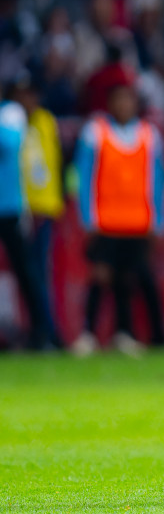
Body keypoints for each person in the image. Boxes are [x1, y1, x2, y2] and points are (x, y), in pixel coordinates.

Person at [71, 80, 164, 356]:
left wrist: (159, 220)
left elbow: (157, 180)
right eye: (119, 100)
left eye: (129, 100)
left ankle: (123, 333)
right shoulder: (95, 132)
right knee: (101, 276)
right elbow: (84, 177)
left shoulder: (150, 135)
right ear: (110, 103)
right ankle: (88, 333)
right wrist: (86, 217)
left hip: (137, 220)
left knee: (128, 278)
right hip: (106, 219)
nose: (124, 105)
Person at [11, 73, 66, 347]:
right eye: (22, 94)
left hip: (42, 208)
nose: (27, 99)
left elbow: (51, 166)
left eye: (31, 94)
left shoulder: (45, 122)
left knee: (39, 273)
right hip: (20, 208)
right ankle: (41, 331)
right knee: (29, 273)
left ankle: (47, 332)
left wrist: (52, 203)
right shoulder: (15, 123)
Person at [0, 93, 49, 350]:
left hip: (9, 207)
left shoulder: (11, 113)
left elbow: (8, 143)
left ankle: (41, 332)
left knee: (27, 272)